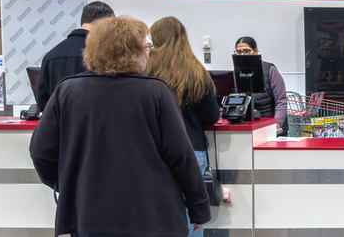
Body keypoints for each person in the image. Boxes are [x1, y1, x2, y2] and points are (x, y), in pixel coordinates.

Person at [29, 16, 210, 237]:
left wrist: (65, 184)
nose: (149, 52)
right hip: (153, 215)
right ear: (131, 51)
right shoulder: (156, 92)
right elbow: (181, 156)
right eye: (146, 46)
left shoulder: (67, 91)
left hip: (89, 213)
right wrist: (198, 207)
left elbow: (40, 152)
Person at [144, 16, 220, 237]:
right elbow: (211, 116)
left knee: (155, 213)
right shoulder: (196, 71)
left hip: (153, 150)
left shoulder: (146, 69)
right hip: (192, 149)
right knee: (192, 214)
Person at [35, 0, 114, 111]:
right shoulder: (105, 54)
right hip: (93, 125)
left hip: (62, 125)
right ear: (106, 24)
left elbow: (43, 103)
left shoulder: (51, 56)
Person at [234, 36, 288, 134]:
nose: (243, 54)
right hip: (249, 126)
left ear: (256, 51)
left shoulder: (270, 70)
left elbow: (281, 100)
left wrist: (277, 122)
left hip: (271, 126)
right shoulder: (236, 73)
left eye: (247, 51)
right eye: (239, 51)